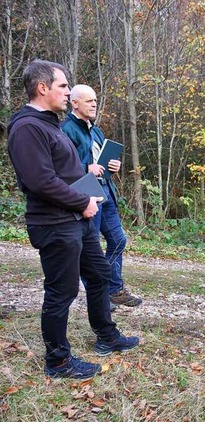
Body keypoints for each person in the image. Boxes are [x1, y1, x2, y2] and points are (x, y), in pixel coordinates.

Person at [7, 60, 139, 379]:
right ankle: (58, 361)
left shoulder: (49, 123)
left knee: (99, 275)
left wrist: (86, 195)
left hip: (75, 219)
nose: (67, 91)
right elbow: (40, 181)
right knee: (61, 291)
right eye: (63, 86)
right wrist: (83, 201)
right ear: (42, 88)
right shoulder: (27, 127)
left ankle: (106, 335)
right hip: (54, 223)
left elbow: (69, 171)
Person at [61, 84, 142, 311]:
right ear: (74, 103)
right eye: (88, 101)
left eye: (95, 100)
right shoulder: (66, 130)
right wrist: (87, 167)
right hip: (86, 193)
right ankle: (100, 295)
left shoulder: (96, 130)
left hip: (106, 190)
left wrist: (112, 166)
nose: (94, 104)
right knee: (91, 248)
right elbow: (63, 165)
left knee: (118, 240)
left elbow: (102, 163)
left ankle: (113, 289)